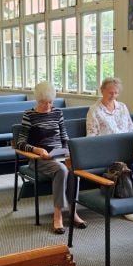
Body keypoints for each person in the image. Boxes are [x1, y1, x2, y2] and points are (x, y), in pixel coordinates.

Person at [16, 81, 85, 235]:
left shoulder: (57, 113)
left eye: (50, 102)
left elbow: (64, 137)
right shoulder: (29, 115)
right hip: (39, 160)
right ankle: (58, 215)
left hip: (58, 156)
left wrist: (68, 153)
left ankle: (73, 211)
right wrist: (37, 149)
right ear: (37, 100)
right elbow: (20, 143)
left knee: (74, 170)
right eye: (43, 102)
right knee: (61, 170)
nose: (47, 106)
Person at [86, 77, 133, 223]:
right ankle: (128, 206)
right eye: (110, 93)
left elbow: (131, 128)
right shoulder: (94, 110)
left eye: (116, 93)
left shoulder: (122, 107)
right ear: (102, 91)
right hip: (106, 150)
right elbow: (91, 136)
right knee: (127, 166)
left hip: (125, 147)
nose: (113, 96)